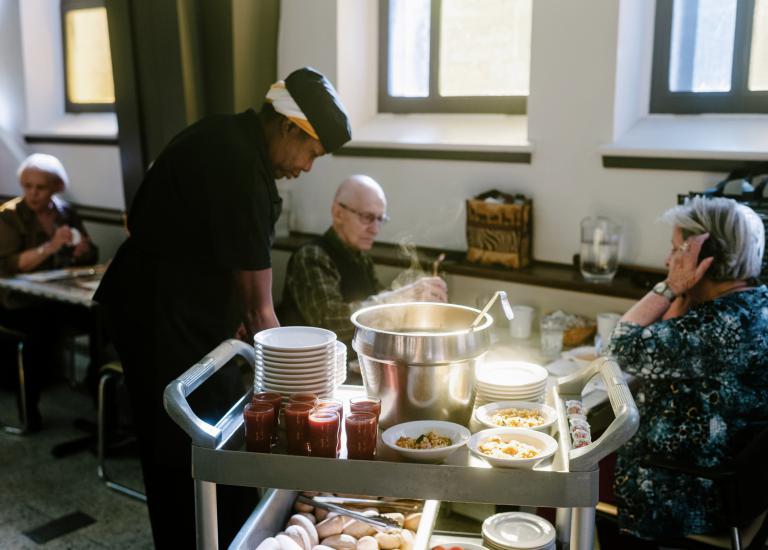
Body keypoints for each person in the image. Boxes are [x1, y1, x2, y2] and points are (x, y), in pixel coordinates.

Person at [94, 67, 351, 548]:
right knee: (184, 450)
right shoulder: (238, 166)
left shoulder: (224, 134)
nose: (308, 167)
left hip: (180, 308)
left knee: (215, 439)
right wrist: (311, 394)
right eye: (311, 153)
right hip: (159, 316)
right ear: (291, 128)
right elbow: (261, 316)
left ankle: (228, 534)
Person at [602, 196, 768, 547]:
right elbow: (668, 331)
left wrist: (670, 286)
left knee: (578, 447)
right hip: (737, 479)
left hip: (686, 491)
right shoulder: (754, 305)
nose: (668, 260)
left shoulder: (719, 327)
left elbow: (618, 350)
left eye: (677, 250)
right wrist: (686, 293)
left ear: (706, 258)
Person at [279, 174, 448, 351]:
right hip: (311, 367)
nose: (375, 229)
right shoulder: (311, 256)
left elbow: (380, 305)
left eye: (380, 219)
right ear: (338, 213)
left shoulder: (361, 257)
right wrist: (400, 298)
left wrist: (416, 302)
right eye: (367, 217)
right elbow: (330, 323)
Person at [0, 153, 98, 430]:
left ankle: (101, 410)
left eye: (40, 187)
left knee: (101, 323)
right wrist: (50, 247)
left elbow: (89, 256)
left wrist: (84, 250)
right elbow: (8, 265)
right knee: (38, 332)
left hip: (57, 298)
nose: (32, 193)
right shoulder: (9, 216)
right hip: (17, 303)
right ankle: (28, 412)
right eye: (27, 186)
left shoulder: (66, 213)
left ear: (56, 187)